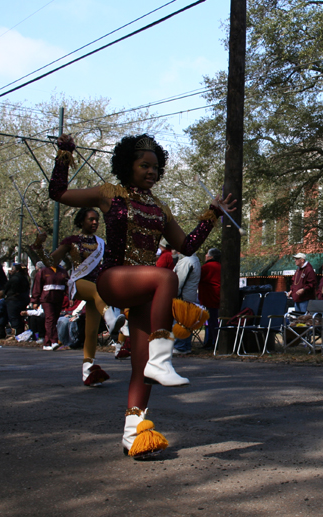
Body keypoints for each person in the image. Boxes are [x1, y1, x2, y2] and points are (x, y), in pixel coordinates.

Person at [48, 132, 234, 458]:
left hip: (145, 291)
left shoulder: (159, 207)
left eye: (156, 167)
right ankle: (163, 358)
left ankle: (134, 434)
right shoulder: (110, 193)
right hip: (113, 278)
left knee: (140, 366)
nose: (152, 171)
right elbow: (58, 192)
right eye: (144, 165)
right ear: (127, 165)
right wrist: (64, 153)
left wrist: (212, 215)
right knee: (165, 277)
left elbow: (186, 246)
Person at [33, 208, 124, 386]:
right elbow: (51, 262)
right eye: (91, 219)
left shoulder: (101, 243)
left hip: (96, 286)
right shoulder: (71, 241)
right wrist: (38, 245)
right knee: (98, 293)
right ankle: (111, 320)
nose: (95, 222)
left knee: (90, 332)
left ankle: (87, 370)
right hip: (79, 283)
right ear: (81, 222)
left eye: (97, 220)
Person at [30, 260, 69, 350]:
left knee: (53, 319)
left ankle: (47, 343)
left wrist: (70, 296)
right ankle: (54, 341)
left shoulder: (63, 271)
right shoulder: (43, 272)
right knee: (50, 318)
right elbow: (37, 286)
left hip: (58, 298)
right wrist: (35, 300)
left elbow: (67, 284)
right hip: (46, 299)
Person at [172, 250, 202, 355]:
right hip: (190, 295)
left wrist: (175, 293)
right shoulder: (195, 260)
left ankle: (180, 347)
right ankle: (185, 346)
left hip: (183, 296)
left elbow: (179, 280)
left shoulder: (186, 261)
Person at [0, 263, 31, 339]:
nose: (11, 271)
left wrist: (4, 293)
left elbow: (7, 288)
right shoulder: (25, 278)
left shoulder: (15, 279)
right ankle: (20, 333)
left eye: (12, 269)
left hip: (14, 300)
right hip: (24, 300)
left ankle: (16, 334)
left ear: (17, 270)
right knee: (19, 317)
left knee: (14, 317)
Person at [198, 248, 221, 349]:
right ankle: (211, 340)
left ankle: (214, 341)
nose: (205, 255)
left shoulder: (206, 267)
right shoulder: (221, 266)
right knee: (212, 319)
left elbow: (198, 278)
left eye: (207, 254)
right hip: (218, 295)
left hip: (210, 296)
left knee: (212, 320)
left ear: (211, 256)